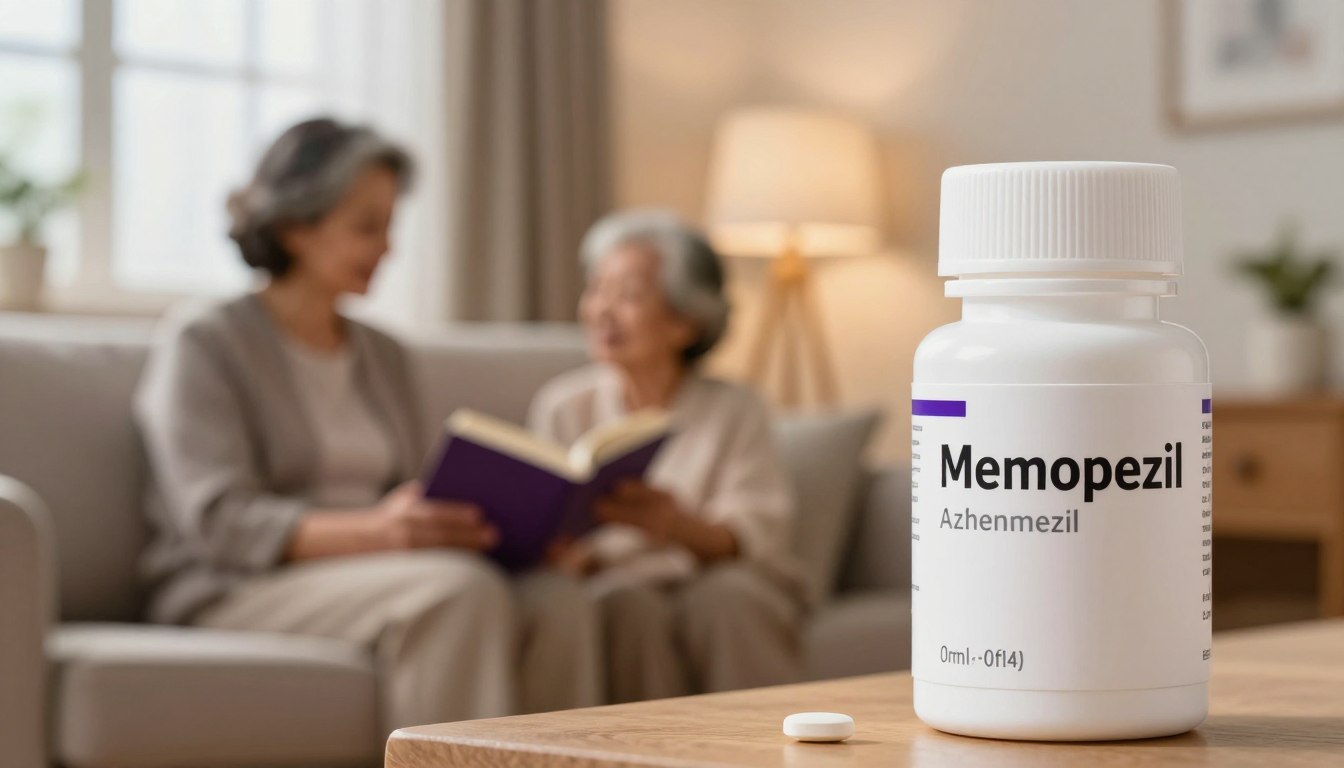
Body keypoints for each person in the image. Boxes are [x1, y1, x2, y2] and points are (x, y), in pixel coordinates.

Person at [135, 118, 599, 731]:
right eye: (366, 227)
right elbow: (220, 521)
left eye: (389, 226)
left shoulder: (385, 356)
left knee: (556, 601)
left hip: (380, 570)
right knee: (455, 592)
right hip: (239, 584)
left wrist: (515, 535)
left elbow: (413, 491)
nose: (388, 248)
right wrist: (380, 532)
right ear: (297, 227)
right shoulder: (205, 343)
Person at [528, 209, 804, 703]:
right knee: (623, 603)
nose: (603, 310)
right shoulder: (563, 406)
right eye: (597, 290)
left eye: (629, 295)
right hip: (613, 582)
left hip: (712, 578)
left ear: (684, 323)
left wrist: (674, 525)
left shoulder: (735, 408)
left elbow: (755, 534)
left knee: (729, 599)